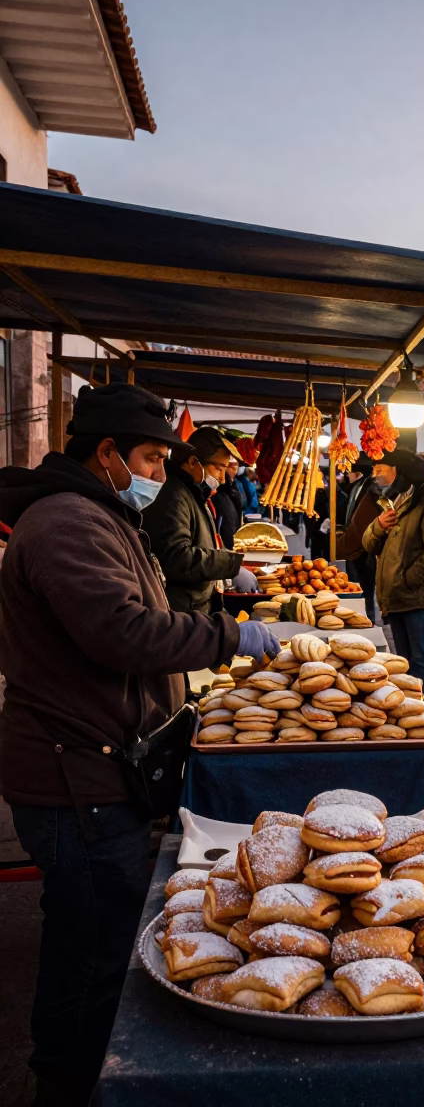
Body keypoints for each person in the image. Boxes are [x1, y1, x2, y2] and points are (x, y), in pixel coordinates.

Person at [0, 384, 279, 1107]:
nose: (158, 471)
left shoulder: (98, 514)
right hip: (75, 777)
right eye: (151, 457)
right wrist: (229, 635)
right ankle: (68, 1084)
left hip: (97, 767)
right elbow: (119, 631)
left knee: (92, 937)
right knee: (91, 950)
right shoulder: (67, 522)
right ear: (107, 455)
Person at [362, 449, 424, 698]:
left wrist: (405, 580)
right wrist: (378, 526)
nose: (375, 475)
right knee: (403, 663)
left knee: (420, 660)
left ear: (399, 473)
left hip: (418, 599)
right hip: (397, 598)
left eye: (380, 470)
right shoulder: (394, 500)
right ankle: (409, 713)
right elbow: (368, 544)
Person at [142, 426, 244, 613]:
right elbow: (177, 557)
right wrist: (229, 562)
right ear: (192, 462)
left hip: (198, 607)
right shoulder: (173, 495)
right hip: (183, 611)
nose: (222, 478)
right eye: (218, 468)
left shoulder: (195, 492)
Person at [335, 457, 381, 623]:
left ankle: (367, 622)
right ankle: (362, 619)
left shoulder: (371, 489)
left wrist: (346, 542)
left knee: (364, 590)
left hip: (363, 550)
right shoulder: (358, 487)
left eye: (349, 471)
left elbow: (363, 521)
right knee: (359, 589)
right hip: (356, 548)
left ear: (358, 473)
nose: (346, 475)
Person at [211, 456, 244, 549]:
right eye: (231, 467)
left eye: (236, 467)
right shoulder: (217, 493)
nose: (235, 471)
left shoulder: (233, 487)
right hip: (223, 549)